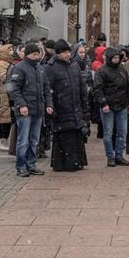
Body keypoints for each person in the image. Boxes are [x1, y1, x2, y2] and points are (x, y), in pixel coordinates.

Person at [6, 43, 54, 176]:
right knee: (23, 140)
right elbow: (13, 89)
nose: (37, 56)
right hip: (25, 110)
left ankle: (31, 164)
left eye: (38, 54)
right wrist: (21, 105)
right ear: (27, 54)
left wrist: (49, 104)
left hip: (38, 109)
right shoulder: (19, 68)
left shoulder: (40, 68)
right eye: (34, 54)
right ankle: (21, 166)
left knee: (34, 139)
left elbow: (46, 88)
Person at [45, 40, 88, 172]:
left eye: (68, 52)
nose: (67, 55)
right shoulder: (50, 67)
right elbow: (48, 88)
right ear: (58, 53)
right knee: (64, 136)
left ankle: (76, 162)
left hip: (74, 105)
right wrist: (51, 106)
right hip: (61, 106)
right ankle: (65, 163)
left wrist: (84, 104)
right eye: (64, 52)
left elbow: (81, 86)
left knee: (76, 134)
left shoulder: (73, 65)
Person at [92, 47, 129, 166]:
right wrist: (103, 103)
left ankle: (119, 154)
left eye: (118, 58)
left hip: (121, 104)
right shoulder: (102, 71)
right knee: (108, 132)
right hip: (108, 105)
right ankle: (110, 156)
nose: (116, 60)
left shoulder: (122, 69)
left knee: (122, 132)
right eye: (114, 58)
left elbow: (128, 86)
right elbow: (97, 89)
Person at [0, 44, 16, 152]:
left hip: (8, 92)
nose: (11, 51)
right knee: (3, 117)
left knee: (8, 118)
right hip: (4, 93)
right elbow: (3, 77)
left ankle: (5, 139)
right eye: (9, 49)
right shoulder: (2, 63)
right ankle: (0, 140)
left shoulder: (10, 63)